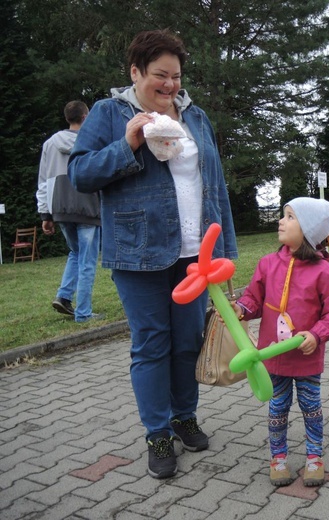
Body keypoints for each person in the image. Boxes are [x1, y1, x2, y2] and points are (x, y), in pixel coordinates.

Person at [68, 29, 237, 479]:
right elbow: (80, 173)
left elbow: (214, 188)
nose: (169, 85)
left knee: (188, 341)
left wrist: (227, 255)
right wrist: (127, 144)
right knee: (151, 344)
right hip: (136, 252)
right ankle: (157, 433)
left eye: (176, 76)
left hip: (195, 256)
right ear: (135, 72)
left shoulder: (195, 116)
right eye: (159, 75)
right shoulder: (108, 113)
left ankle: (185, 416)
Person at [232, 197, 329, 487]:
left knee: (311, 408)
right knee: (277, 408)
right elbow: (254, 299)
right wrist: (241, 309)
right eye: (283, 215)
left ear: (307, 230)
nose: (281, 221)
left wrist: (317, 334)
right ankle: (278, 458)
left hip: (306, 357)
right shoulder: (268, 263)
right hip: (272, 357)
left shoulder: (326, 274)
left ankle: (314, 457)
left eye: (290, 217)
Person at [36, 101, 102, 322]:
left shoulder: (50, 144)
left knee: (76, 254)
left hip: (61, 206)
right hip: (88, 205)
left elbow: (43, 181)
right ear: (85, 117)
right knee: (87, 260)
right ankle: (83, 313)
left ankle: (64, 296)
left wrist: (45, 214)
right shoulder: (92, 140)